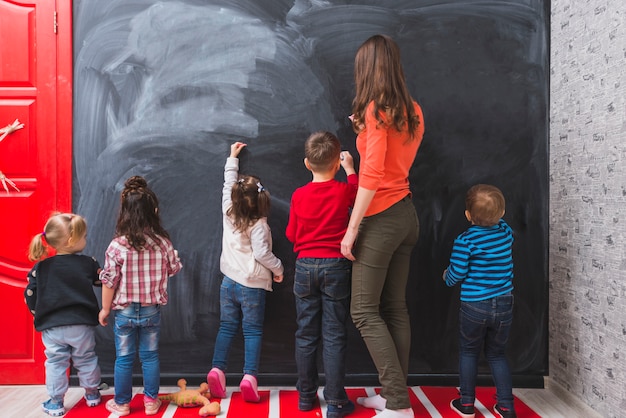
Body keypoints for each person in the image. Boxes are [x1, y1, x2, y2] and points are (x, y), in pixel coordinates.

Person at [340, 34, 425, 418]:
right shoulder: (413, 110)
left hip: (383, 216)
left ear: (368, 69)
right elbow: (394, 162)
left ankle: (398, 404)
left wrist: (352, 228)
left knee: (363, 310)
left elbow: (373, 176)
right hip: (407, 214)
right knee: (394, 309)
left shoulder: (377, 111)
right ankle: (394, 396)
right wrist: (363, 131)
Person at [286, 131, 358, 417]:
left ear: (307, 163)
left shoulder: (299, 195)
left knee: (305, 334)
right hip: (336, 266)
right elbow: (358, 191)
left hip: (304, 266)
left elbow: (291, 233)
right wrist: (351, 168)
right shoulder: (343, 190)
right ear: (336, 162)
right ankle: (336, 402)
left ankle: (305, 396)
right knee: (334, 334)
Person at [98, 176, 183, 417]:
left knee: (124, 359)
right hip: (151, 311)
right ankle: (150, 402)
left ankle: (123, 403)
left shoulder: (117, 245)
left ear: (124, 212)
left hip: (124, 312)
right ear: (154, 211)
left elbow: (109, 281)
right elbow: (174, 269)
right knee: (150, 357)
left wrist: (105, 310)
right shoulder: (163, 243)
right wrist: (172, 255)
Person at [207, 142, 284, 403]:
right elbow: (263, 255)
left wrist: (232, 159)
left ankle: (217, 369)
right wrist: (279, 269)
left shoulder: (228, 212)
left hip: (228, 282)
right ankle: (249, 377)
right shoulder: (260, 226)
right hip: (252, 285)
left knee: (227, 327)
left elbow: (228, 187)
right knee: (252, 331)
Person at [443, 184, 516, 418]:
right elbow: (506, 228)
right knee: (497, 354)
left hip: (474, 305)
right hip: (504, 303)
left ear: (467, 215)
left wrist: (447, 276)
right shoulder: (505, 232)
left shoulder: (465, 241)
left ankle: (466, 404)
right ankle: (505, 405)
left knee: (469, 352)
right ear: (502, 214)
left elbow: (458, 272)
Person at [25, 213, 103, 417]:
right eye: (84, 236)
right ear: (72, 240)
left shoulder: (41, 268)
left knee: (56, 362)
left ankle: (56, 402)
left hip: (52, 326)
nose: (86, 240)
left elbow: (30, 293)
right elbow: (101, 282)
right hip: (81, 324)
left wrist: (37, 313)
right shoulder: (89, 263)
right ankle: (92, 393)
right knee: (86, 358)